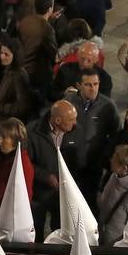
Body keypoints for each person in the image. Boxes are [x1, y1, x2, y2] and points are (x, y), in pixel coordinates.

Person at [27, 99, 79, 240]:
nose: (75, 123)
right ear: (57, 120)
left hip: (64, 194)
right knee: (36, 229)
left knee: (62, 230)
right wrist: (46, 177)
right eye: (71, 120)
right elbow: (27, 164)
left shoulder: (74, 131)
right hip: (40, 194)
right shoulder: (32, 133)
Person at [98, 144, 128, 246]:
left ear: (124, 168)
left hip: (115, 246)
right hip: (102, 236)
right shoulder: (115, 176)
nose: (111, 160)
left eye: (114, 159)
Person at [0, 37, 34, 122]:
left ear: (15, 56)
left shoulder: (19, 75)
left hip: (5, 121)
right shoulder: (8, 70)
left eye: (6, 54)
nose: (2, 56)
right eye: (1, 53)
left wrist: (1, 107)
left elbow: (22, 105)